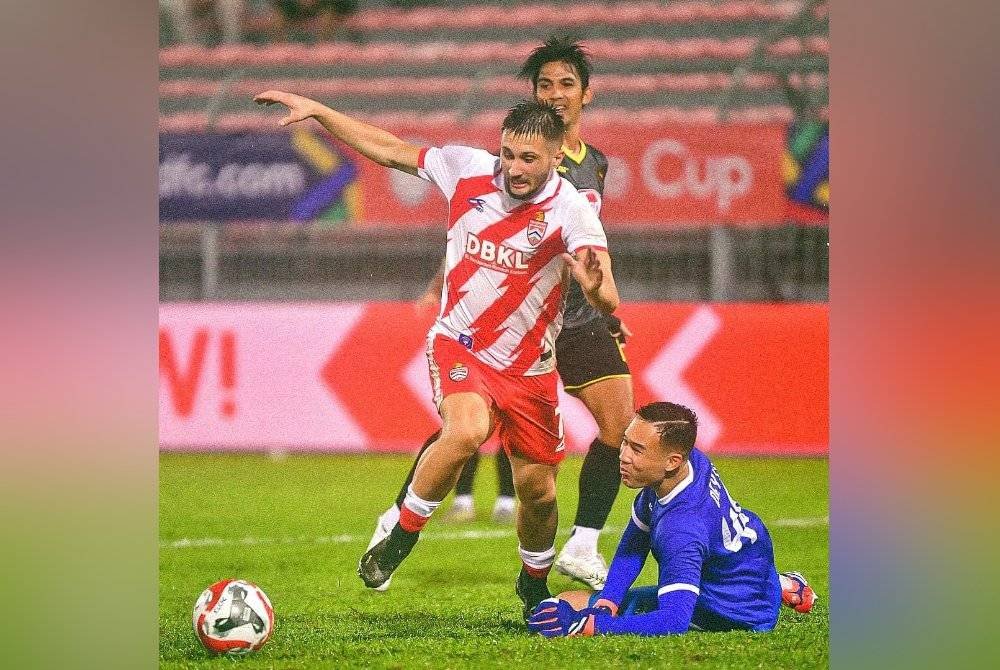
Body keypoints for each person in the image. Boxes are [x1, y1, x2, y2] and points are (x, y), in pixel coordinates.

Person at [252, 90, 621, 619]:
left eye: (528, 159)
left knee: (537, 492)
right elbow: (389, 149)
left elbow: (607, 293)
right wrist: (322, 112)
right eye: (508, 154)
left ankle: (533, 581)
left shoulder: (573, 210)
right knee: (467, 430)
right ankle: (400, 536)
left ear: (557, 157)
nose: (513, 168)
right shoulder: (466, 168)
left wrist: (595, 286)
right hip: (460, 341)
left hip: (530, 367)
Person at [367, 36, 635, 592]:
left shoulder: (590, 174)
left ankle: (582, 544)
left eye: (566, 85)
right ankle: (399, 521)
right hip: (487, 326)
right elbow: (470, 232)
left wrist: (604, 304)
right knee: (465, 427)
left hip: (569, 319)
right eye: (545, 85)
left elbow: (594, 264)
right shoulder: (487, 166)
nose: (556, 94)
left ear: (587, 95)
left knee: (614, 427)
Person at [527, 402, 818, 637]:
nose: (623, 456)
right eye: (626, 443)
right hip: (746, 559)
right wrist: (608, 600)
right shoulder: (691, 461)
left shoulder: (681, 530)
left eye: (637, 450)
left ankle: (773, 587)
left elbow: (672, 621)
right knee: (569, 605)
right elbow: (635, 538)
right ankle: (778, 585)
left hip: (731, 608)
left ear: (672, 462)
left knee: (556, 608)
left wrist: (590, 626)